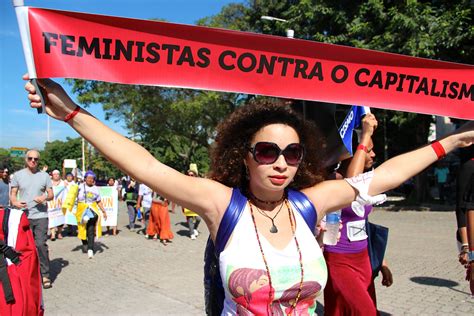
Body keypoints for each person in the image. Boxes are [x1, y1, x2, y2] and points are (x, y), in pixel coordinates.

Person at [24, 76, 474, 313]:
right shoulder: (222, 204)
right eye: (267, 151)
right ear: (245, 156)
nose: (281, 162)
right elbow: (145, 165)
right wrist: (71, 113)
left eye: (293, 152)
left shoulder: (309, 202)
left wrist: (449, 143)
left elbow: (386, 176)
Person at [323, 113, 393, 315]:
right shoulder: (333, 180)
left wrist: (382, 260)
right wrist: (364, 136)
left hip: (363, 259)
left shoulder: (367, 180)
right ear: (351, 153)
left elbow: (364, 221)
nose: (373, 155)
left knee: (339, 311)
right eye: (367, 150)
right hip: (338, 259)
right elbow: (350, 185)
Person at [10, 149, 54, 289]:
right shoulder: (18, 175)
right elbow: (13, 195)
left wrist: (44, 197)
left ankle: (45, 274)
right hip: (23, 215)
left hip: (41, 216)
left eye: (36, 159)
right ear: (26, 159)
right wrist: (15, 203)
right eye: (30, 158)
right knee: (23, 246)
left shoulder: (45, 176)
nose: (33, 161)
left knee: (40, 244)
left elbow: (51, 194)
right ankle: (25, 273)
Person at [75, 170, 107, 258]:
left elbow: (99, 201)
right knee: (82, 229)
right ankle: (84, 242)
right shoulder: (79, 187)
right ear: (85, 179)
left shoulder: (96, 189)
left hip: (92, 209)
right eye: (88, 178)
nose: (90, 180)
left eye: (92, 178)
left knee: (91, 229)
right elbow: (72, 196)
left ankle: (90, 249)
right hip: (81, 210)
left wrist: (104, 211)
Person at [183, 169, 202, 240]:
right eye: (189, 175)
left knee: (198, 218)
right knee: (190, 219)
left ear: (195, 175)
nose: (190, 176)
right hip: (188, 203)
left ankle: (195, 229)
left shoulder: (198, 183)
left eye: (192, 175)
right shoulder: (185, 183)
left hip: (196, 203)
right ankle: (191, 233)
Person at [49, 169, 65, 240]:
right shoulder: (49, 182)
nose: (56, 175)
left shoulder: (63, 183)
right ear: (52, 175)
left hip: (60, 204)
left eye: (57, 174)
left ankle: (59, 233)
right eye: (54, 174)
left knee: (60, 218)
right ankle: (52, 234)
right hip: (51, 204)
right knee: (51, 218)